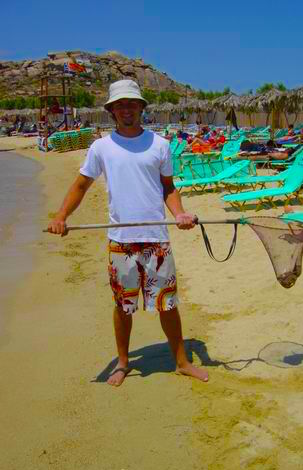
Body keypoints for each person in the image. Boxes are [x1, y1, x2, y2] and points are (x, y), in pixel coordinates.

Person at [47, 79, 209, 387]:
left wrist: (180, 214)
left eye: (132, 104)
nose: (127, 109)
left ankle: (182, 361)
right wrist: (61, 216)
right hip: (121, 242)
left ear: (141, 108)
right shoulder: (101, 148)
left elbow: (168, 188)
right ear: (111, 110)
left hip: (156, 238)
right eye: (120, 105)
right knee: (124, 306)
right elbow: (81, 185)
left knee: (168, 304)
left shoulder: (160, 145)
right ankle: (122, 362)